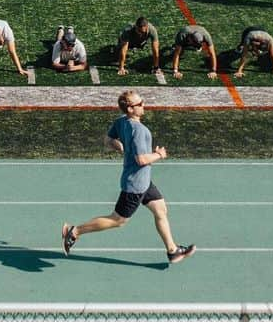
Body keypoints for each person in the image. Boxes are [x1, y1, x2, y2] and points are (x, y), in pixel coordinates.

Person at [61, 90, 195, 267]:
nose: (144, 105)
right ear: (130, 109)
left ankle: (173, 251)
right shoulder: (139, 130)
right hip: (136, 184)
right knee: (118, 220)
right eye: (140, 104)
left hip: (144, 180)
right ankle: (74, 231)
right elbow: (141, 160)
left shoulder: (121, 122)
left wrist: (122, 148)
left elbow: (108, 140)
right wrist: (159, 154)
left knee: (160, 210)